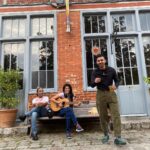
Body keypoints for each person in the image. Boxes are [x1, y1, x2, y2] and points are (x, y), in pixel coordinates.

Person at [91, 54, 126, 145]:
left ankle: (118, 137)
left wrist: (116, 86)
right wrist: (95, 82)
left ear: (105, 60)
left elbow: (117, 80)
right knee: (103, 116)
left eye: (101, 60)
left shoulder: (111, 70)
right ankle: (106, 134)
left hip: (111, 92)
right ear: (97, 62)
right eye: (98, 60)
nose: (100, 61)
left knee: (116, 115)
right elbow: (91, 84)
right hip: (100, 94)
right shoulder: (95, 72)